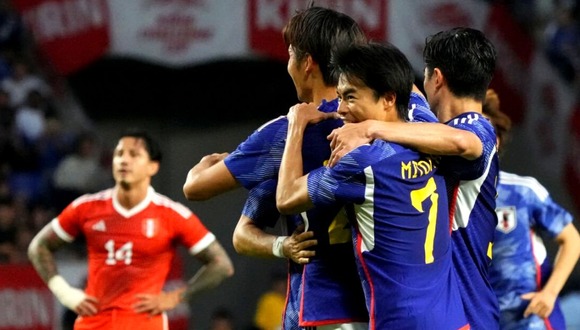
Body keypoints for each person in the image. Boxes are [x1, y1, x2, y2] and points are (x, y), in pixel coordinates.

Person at [183, 5, 370, 329]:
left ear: (307, 62)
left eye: (289, 54)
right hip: (380, 303)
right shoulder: (385, 125)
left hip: (319, 308)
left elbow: (195, 188)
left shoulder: (286, 135)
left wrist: (204, 163)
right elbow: (245, 233)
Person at [276, 41, 469, 329]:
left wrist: (296, 125)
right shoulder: (429, 130)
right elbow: (412, 92)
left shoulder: (362, 163)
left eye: (350, 97)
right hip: (453, 320)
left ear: (389, 98)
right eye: (340, 97)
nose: (340, 109)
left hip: (399, 322)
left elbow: (287, 197)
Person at [324, 27, 501, 329]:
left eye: (425, 74)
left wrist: (371, 129)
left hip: (467, 306)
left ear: (437, 78)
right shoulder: (427, 127)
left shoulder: (476, 127)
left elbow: (464, 143)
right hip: (446, 309)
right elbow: (403, 91)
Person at [27, 129, 234, 330]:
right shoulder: (86, 207)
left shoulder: (172, 215)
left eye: (134, 154)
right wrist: (65, 294)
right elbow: (39, 246)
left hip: (144, 323)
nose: (124, 160)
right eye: (119, 154)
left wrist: (177, 297)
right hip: (93, 322)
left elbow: (221, 264)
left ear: (152, 167)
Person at [483, 89, 580, 330]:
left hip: (529, 321)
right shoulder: (445, 196)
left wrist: (549, 293)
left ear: (496, 140)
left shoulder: (523, 191)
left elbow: (572, 240)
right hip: (481, 321)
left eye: (483, 131)